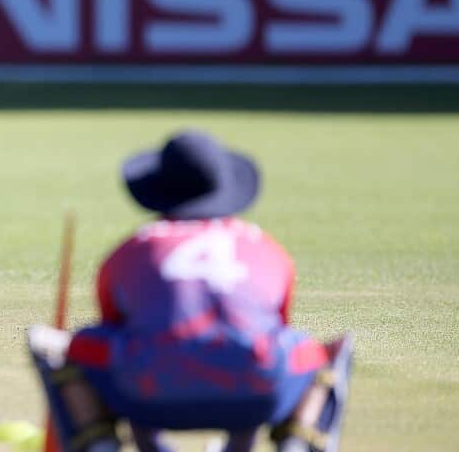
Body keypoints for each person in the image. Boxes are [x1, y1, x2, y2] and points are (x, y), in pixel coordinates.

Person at [26, 130, 354, 452]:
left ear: (158, 191)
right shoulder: (267, 247)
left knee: (64, 345)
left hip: (148, 392)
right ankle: (297, 444)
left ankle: (99, 445)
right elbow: (262, 337)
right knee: (324, 352)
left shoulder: (132, 249)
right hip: (258, 393)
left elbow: (128, 336)